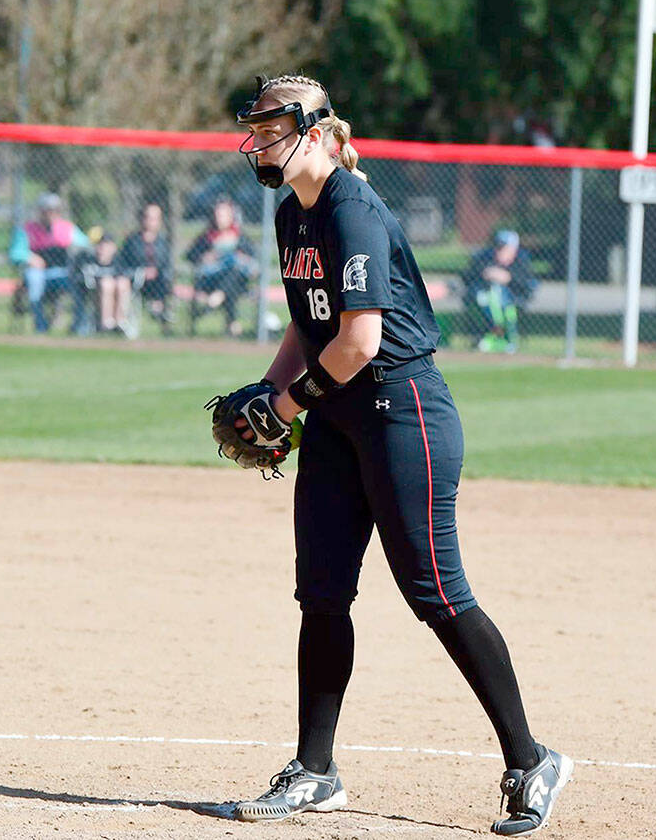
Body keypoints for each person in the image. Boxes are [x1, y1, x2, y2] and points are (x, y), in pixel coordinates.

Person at [226, 74, 572, 835]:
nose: (258, 141)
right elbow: (310, 330)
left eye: (272, 128)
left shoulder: (351, 209)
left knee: (435, 592)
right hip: (336, 411)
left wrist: (282, 407)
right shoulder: (295, 214)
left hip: (401, 410)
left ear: (314, 134)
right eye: (255, 127)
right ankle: (314, 772)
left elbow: (362, 340)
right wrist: (267, 388)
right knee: (321, 593)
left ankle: (530, 759)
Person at [8, 192, 93, 334]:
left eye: (54, 210)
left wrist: (76, 253)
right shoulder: (27, 229)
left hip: (63, 273)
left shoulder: (67, 229)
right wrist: (30, 258)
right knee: (34, 278)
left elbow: (86, 246)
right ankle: (40, 325)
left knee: (79, 281)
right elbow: (15, 253)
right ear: (40, 211)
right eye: (47, 210)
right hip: (39, 273)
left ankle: (79, 326)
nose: (50, 214)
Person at [185, 197, 257, 336]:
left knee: (233, 272)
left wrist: (242, 258)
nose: (219, 218)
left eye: (223, 215)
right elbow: (190, 255)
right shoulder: (207, 236)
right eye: (217, 214)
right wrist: (205, 257)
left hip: (239, 280)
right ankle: (232, 325)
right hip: (213, 281)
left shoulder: (239, 236)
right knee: (230, 287)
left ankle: (216, 299)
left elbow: (253, 257)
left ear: (231, 216)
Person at [462, 229, 538, 353]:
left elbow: (527, 284)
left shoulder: (521, 261)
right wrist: (485, 273)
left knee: (499, 298)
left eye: (504, 247)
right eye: (498, 247)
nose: (499, 251)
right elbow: (467, 276)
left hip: (512, 298)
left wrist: (508, 278)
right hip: (486, 299)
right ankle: (494, 335)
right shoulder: (485, 258)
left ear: (513, 249)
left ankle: (505, 337)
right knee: (486, 295)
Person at [105, 202, 173, 334]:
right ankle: (118, 325)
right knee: (121, 283)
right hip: (134, 281)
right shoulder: (132, 241)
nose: (150, 221)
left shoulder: (163, 242)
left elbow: (167, 266)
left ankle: (160, 312)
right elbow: (121, 266)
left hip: (159, 283)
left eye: (154, 218)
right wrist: (140, 272)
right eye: (147, 217)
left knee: (165, 281)